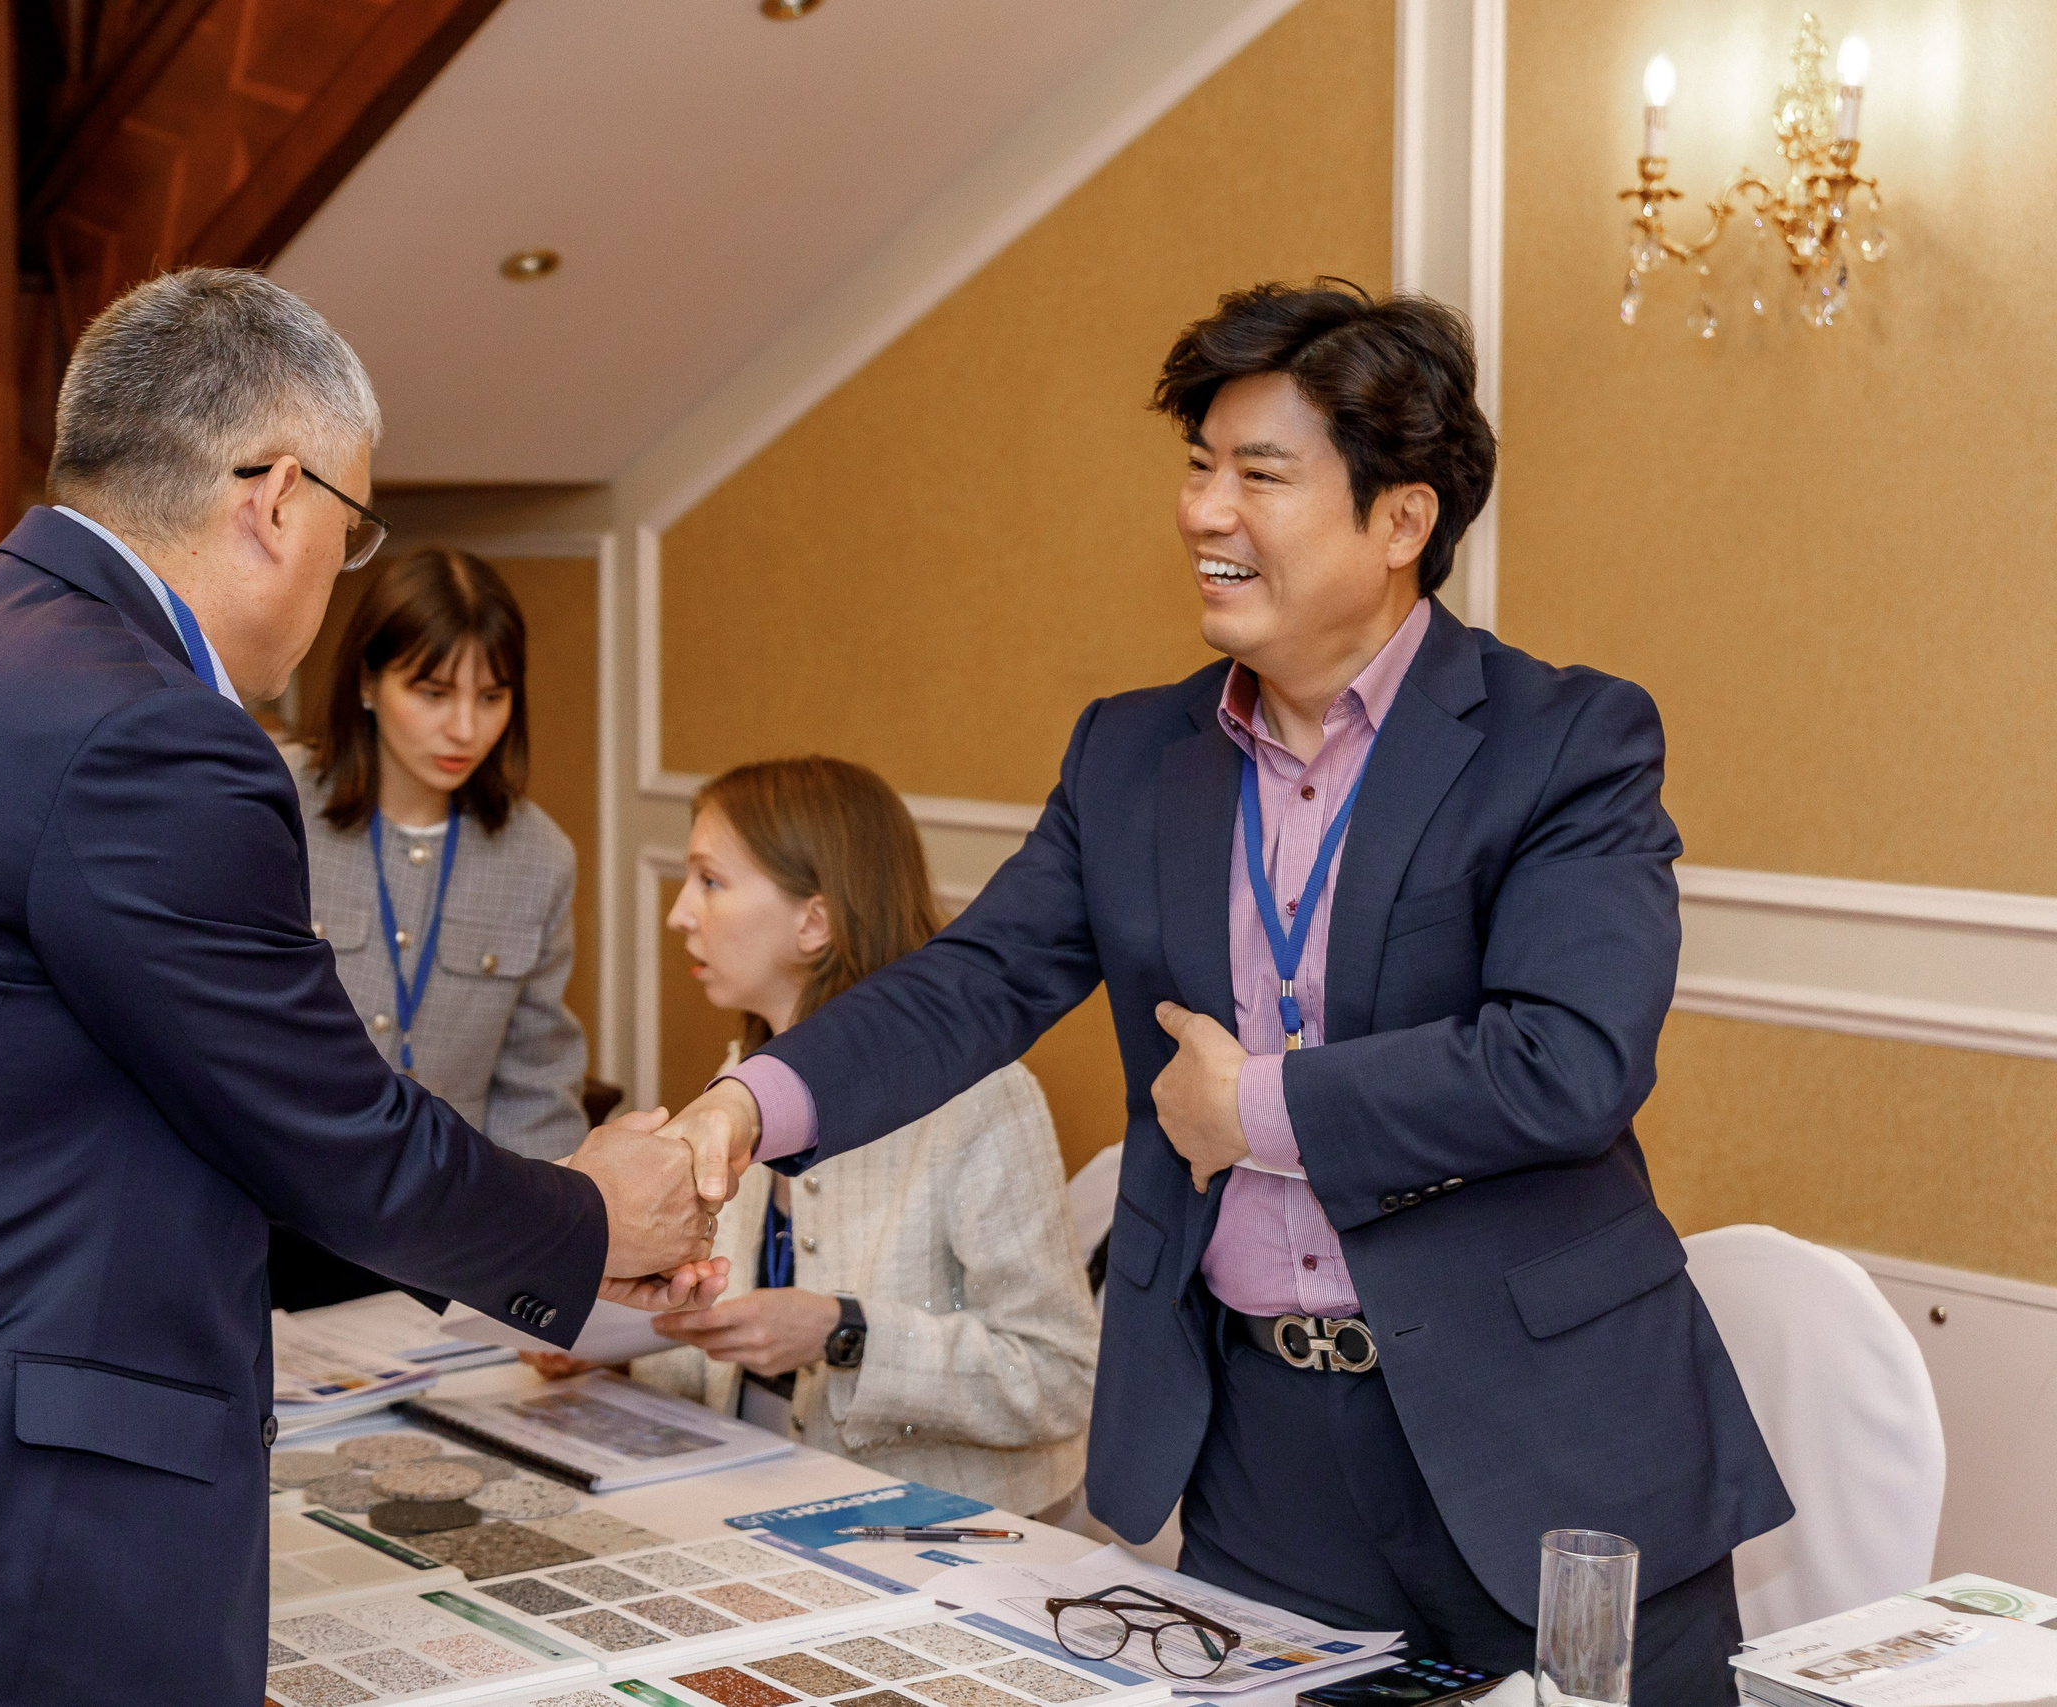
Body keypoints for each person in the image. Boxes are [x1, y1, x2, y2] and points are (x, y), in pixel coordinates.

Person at [655, 282, 1789, 1704]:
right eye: (1198, 465)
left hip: (1545, 1436)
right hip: (1263, 1448)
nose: (1204, 510)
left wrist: (1254, 1105)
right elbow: (973, 979)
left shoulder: (1563, 739)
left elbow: (1568, 1057)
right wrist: (739, 1110)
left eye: (1260, 473)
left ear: (1401, 519)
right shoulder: (1133, 756)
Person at [0, 269, 721, 1707]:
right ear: (275, 495)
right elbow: (326, 1127)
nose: (340, 570)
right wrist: (592, 1214)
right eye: (353, 524)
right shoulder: (150, 734)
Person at [624, 758, 1097, 1516]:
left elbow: (1057, 1377)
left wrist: (846, 1332)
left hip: (948, 1540)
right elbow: (731, 1360)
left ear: (814, 922)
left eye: (710, 881)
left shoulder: (981, 1098)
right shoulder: (739, 1079)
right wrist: (601, 1351)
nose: (681, 912)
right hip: (769, 1505)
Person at [272, 550, 591, 1309]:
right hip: (277, 1226)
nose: (465, 726)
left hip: (452, 1248)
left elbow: (535, 1089)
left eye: (492, 696)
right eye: (433, 690)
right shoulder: (275, 803)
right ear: (366, 683)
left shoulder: (538, 855)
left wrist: (553, 1274)